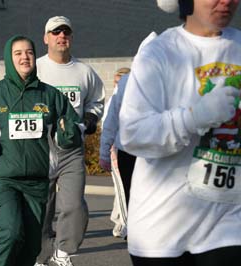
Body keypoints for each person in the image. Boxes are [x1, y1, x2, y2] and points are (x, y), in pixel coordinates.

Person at [120, 1, 241, 265]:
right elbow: (133, 133)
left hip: (227, 223)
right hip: (163, 228)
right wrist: (193, 118)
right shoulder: (160, 52)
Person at [0, 35, 82, 266]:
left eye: (29, 52)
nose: (25, 57)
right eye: (18, 53)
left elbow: (74, 125)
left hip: (36, 180)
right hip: (1, 179)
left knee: (32, 245)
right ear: (9, 58)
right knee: (10, 232)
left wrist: (68, 134)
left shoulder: (50, 95)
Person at [35, 16, 105, 266]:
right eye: (55, 32)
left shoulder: (84, 71)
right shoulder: (36, 68)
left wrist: (86, 122)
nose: (61, 36)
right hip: (40, 147)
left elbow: (97, 101)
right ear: (46, 38)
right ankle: (39, 255)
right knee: (41, 208)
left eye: (66, 32)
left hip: (71, 148)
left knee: (74, 205)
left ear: (71, 38)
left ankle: (63, 252)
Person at [99, 67, 132, 239]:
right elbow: (109, 124)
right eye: (116, 81)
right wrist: (106, 150)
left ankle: (126, 224)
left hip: (134, 150)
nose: (118, 84)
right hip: (121, 149)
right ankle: (126, 224)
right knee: (124, 191)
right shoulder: (115, 98)